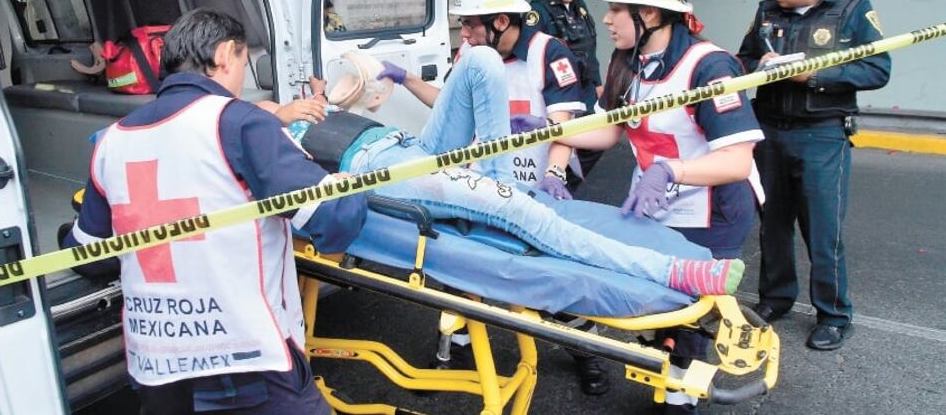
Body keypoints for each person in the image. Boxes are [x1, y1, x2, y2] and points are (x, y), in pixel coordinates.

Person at [64, 8, 366, 415]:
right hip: (246, 360)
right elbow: (334, 218)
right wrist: (346, 185)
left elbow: (89, 255)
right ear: (225, 54)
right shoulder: (238, 124)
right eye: (242, 62)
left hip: (158, 368)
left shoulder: (111, 141)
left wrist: (65, 234)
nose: (241, 78)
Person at [292, 51, 744, 299]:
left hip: (406, 145)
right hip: (378, 170)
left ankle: (499, 182)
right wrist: (285, 114)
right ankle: (672, 271)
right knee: (532, 217)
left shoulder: (298, 108)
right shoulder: (254, 126)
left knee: (482, 60)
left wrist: (325, 99)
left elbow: (340, 102)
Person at [557, 0, 765, 414]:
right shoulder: (626, 61)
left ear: (648, 14)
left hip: (713, 209)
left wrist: (671, 170)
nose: (606, 19)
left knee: (688, 311)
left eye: (616, 10)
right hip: (655, 201)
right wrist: (548, 130)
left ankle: (679, 398)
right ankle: (668, 374)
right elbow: (610, 130)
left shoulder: (710, 68)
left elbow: (736, 159)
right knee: (656, 298)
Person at [737, 0, 891, 352]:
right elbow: (742, 60)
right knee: (772, 223)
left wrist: (815, 75)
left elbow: (877, 69)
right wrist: (760, 67)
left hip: (822, 133)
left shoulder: (853, 10)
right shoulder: (767, 10)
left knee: (822, 230)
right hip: (769, 129)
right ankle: (775, 299)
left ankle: (834, 315)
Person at [377, 0, 594, 199]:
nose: (464, 34)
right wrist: (406, 78)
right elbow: (450, 107)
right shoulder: (470, 54)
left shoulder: (549, 53)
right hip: (482, 183)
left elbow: (562, 128)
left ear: (500, 21)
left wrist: (554, 174)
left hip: (537, 186)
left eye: (470, 23)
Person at [529, 0, 605, 184]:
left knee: (594, 139)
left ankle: (566, 183)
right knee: (561, 138)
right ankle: (554, 184)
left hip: (586, 88)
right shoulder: (538, 11)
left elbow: (589, 49)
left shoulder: (579, 7)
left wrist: (598, 83)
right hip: (560, 91)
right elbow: (532, 53)